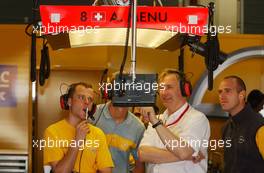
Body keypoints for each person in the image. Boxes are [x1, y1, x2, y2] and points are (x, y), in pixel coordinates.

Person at [138, 68, 210, 173]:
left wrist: (156, 124)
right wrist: (186, 155)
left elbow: (183, 152)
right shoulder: (157, 119)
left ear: (184, 89)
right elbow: (142, 154)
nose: (163, 92)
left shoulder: (197, 118)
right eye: (161, 88)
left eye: (169, 87)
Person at [43, 82, 114, 173]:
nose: (87, 102)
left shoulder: (98, 134)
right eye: (81, 97)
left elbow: (106, 171)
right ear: (69, 102)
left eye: (90, 99)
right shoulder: (52, 132)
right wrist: (77, 141)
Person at [218, 76, 264, 173]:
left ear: (241, 95)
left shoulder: (259, 126)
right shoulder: (226, 127)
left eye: (227, 91)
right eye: (220, 92)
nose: (222, 96)